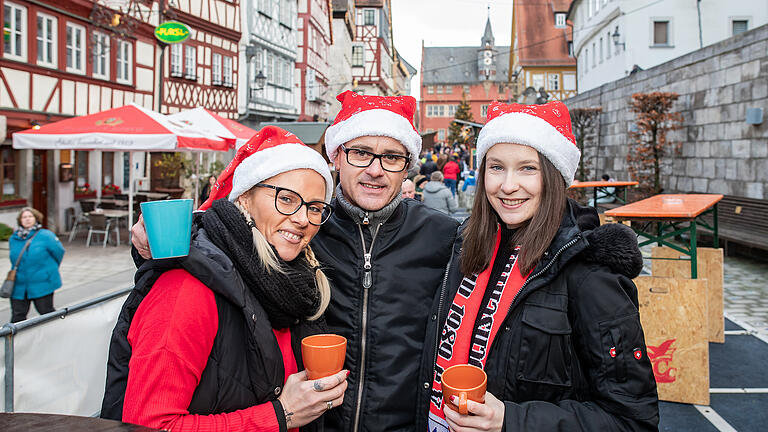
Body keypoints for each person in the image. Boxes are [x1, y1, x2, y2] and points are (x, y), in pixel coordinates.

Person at [130, 93, 460, 432]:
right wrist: (157, 239)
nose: (375, 169)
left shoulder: (443, 236)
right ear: (337, 157)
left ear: (407, 166)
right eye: (360, 152)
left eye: (392, 157)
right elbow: (218, 237)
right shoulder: (310, 231)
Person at [421, 101, 659, 431]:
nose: (507, 185)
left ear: (553, 176)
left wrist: (511, 421)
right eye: (496, 167)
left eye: (527, 169)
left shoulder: (589, 272)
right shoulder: (467, 244)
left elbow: (632, 421)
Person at [103, 126, 349, 431]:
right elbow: (149, 425)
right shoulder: (186, 289)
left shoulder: (289, 283)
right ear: (244, 198)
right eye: (287, 199)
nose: (302, 219)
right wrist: (281, 415)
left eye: (314, 207)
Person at [8, 207, 65, 323]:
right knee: (17, 316)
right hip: (19, 284)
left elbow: (59, 252)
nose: (27, 219)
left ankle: (53, 335)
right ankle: (17, 340)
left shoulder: (46, 235)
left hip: (42, 282)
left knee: (46, 313)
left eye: (30, 216)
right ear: (20, 220)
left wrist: (48, 270)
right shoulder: (14, 238)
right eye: (24, 217)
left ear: (36, 218)